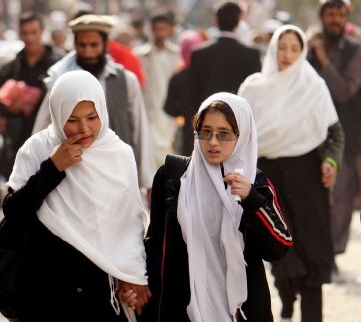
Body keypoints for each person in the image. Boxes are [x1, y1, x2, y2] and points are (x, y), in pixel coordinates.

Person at [3, 70, 151, 320]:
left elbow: (127, 225)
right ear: (57, 115)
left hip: (99, 289)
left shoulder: (119, 154)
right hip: (46, 286)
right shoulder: (37, 149)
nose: (84, 129)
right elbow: (13, 212)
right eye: (72, 120)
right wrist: (52, 168)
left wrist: (133, 275)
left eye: (92, 117)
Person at [140, 92, 293, 322]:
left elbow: (279, 247)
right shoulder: (172, 176)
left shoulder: (255, 182)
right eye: (205, 132)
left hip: (240, 311)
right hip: (182, 307)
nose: (212, 142)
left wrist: (251, 199)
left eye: (224, 134)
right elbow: (154, 243)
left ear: (242, 136)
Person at [238, 25, 345, 322]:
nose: (287, 55)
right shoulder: (253, 89)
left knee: (312, 253)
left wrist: (331, 163)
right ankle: (286, 294)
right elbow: (242, 138)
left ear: (303, 53)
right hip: (268, 178)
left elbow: (335, 134)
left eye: (294, 49)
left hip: (308, 176)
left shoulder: (313, 86)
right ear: (273, 48)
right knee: (279, 252)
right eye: (282, 47)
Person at [32, 14, 156, 196]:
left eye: (94, 45)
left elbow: (140, 130)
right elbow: (41, 130)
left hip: (116, 174)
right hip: (73, 177)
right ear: (74, 45)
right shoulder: (61, 81)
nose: (88, 52)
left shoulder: (125, 81)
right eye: (82, 46)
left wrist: (148, 181)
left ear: (106, 45)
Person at [308, 0, 361, 272]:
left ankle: (331, 254)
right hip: (310, 135)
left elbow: (343, 91)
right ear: (322, 17)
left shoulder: (355, 51)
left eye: (341, 14)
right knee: (314, 199)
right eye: (331, 14)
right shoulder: (307, 51)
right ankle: (318, 252)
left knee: (340, 200)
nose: (335, 19)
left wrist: (323, 58)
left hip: (346, 137)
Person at [0, 12, 63, 178]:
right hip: (19, 140)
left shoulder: (59, 65)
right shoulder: (9, 69)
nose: (30, 38)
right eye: (25, 33)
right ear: (19, 33)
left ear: (42, 32)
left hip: (51, 140)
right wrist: (10, 108)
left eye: (34, 32)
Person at [189, 1, 261, 110]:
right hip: (238, 120)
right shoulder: (252, 55)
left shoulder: (199, 54)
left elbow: (194, 92)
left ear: (216, 21)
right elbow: (254, 94)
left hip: (207, 118)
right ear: (238, 22)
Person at [134, 9, 180, 167]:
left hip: (169, 112)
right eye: (157, 28)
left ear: (170, 30)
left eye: (164, 28)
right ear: (152, 29)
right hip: (148, 110)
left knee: (169, 150)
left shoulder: (176, 54)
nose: (161, 32)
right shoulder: (140, 55)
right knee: (150, 153)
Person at [164, 29, 206, 155]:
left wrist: (182, 113)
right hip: (208, 134)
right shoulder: (208, 75)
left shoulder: (177, 77)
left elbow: (168, 108)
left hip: (186, 134)